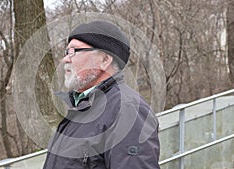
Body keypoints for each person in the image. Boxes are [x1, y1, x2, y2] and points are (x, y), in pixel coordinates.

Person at [43, 20, 160, 169]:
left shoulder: (126, 110)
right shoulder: (81, 109)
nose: (66, 59)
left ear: (104, 60)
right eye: (66, 52)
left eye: (74, 51)